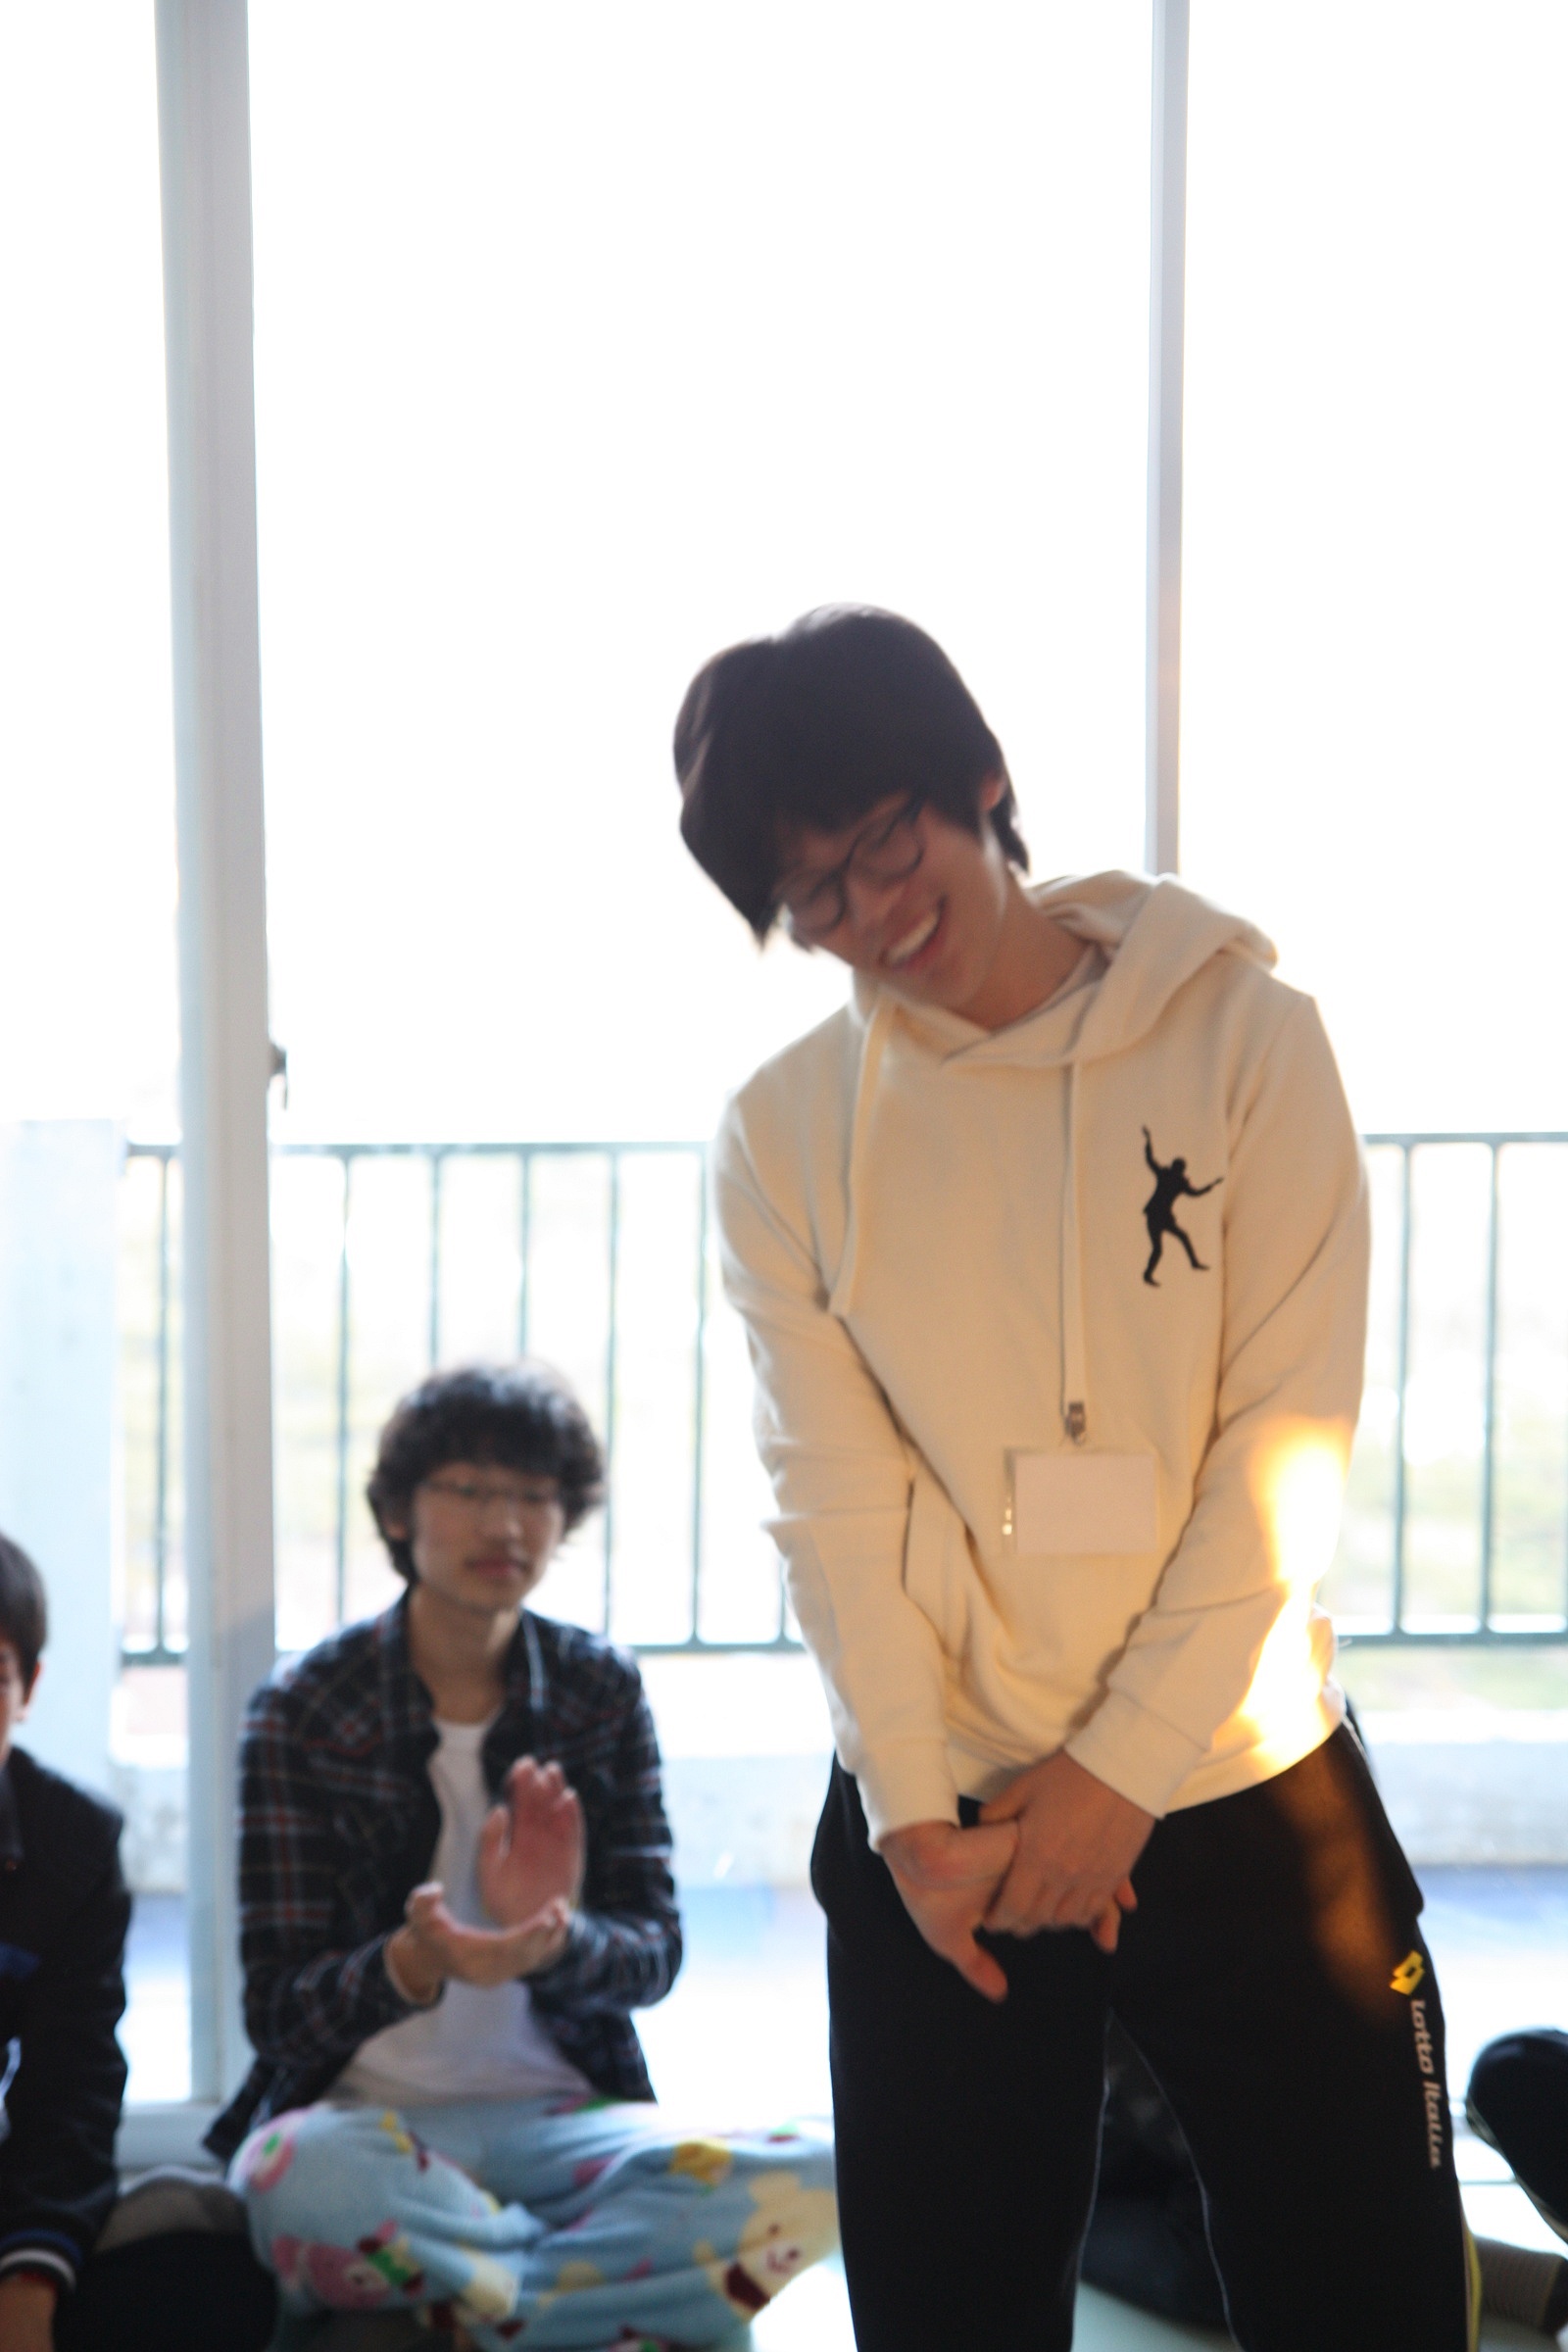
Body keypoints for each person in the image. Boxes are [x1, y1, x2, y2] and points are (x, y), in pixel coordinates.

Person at [674, 605, 1474, 2349]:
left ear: (976, 779)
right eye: (815, 895)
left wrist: (1117, 1777)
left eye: (884, 843)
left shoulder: (1246, 1034)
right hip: (944, 1824)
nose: (872, 913)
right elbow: (833, 1504)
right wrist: (909, 1814)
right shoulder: (785, 1136)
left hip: (1243, 1773)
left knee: (1377, 2302)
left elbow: (1284, 1447)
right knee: (949, 2317)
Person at [210, 1361, 835, 2349]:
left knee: (828, 2168)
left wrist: (552, 1941)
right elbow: (277, 2012)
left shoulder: (598, 1691)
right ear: (400, 1512)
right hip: (367, 2126)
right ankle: (587, 2293)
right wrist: (413, 1963)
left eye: (534, 1496)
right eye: (468, 1490)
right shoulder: (306, 1707)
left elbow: (653, 1956)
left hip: (564, 2120)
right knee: (293, 2180)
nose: (503, 1524)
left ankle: (481, 2303)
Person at [0, 1533, 127, 2352]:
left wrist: (28, 2284)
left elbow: (72, 2083)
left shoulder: (70, 1845)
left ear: (28, 1689)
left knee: (201, 2274)